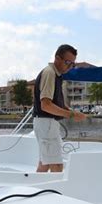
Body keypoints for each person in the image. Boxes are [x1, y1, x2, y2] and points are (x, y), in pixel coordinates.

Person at [33, 44, 87, 173]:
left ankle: (35, 190)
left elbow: (55, 102)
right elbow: (45, 105)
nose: (69, 66)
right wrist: (72, 115)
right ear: (57, 58)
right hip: (47, 124)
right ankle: (54, 192)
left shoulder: (56, 75)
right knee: (56, 165)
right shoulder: (50, 73)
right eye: (68, 62)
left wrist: (70, 111)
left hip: (45, 124)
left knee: (44, 164)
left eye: (72, 64)